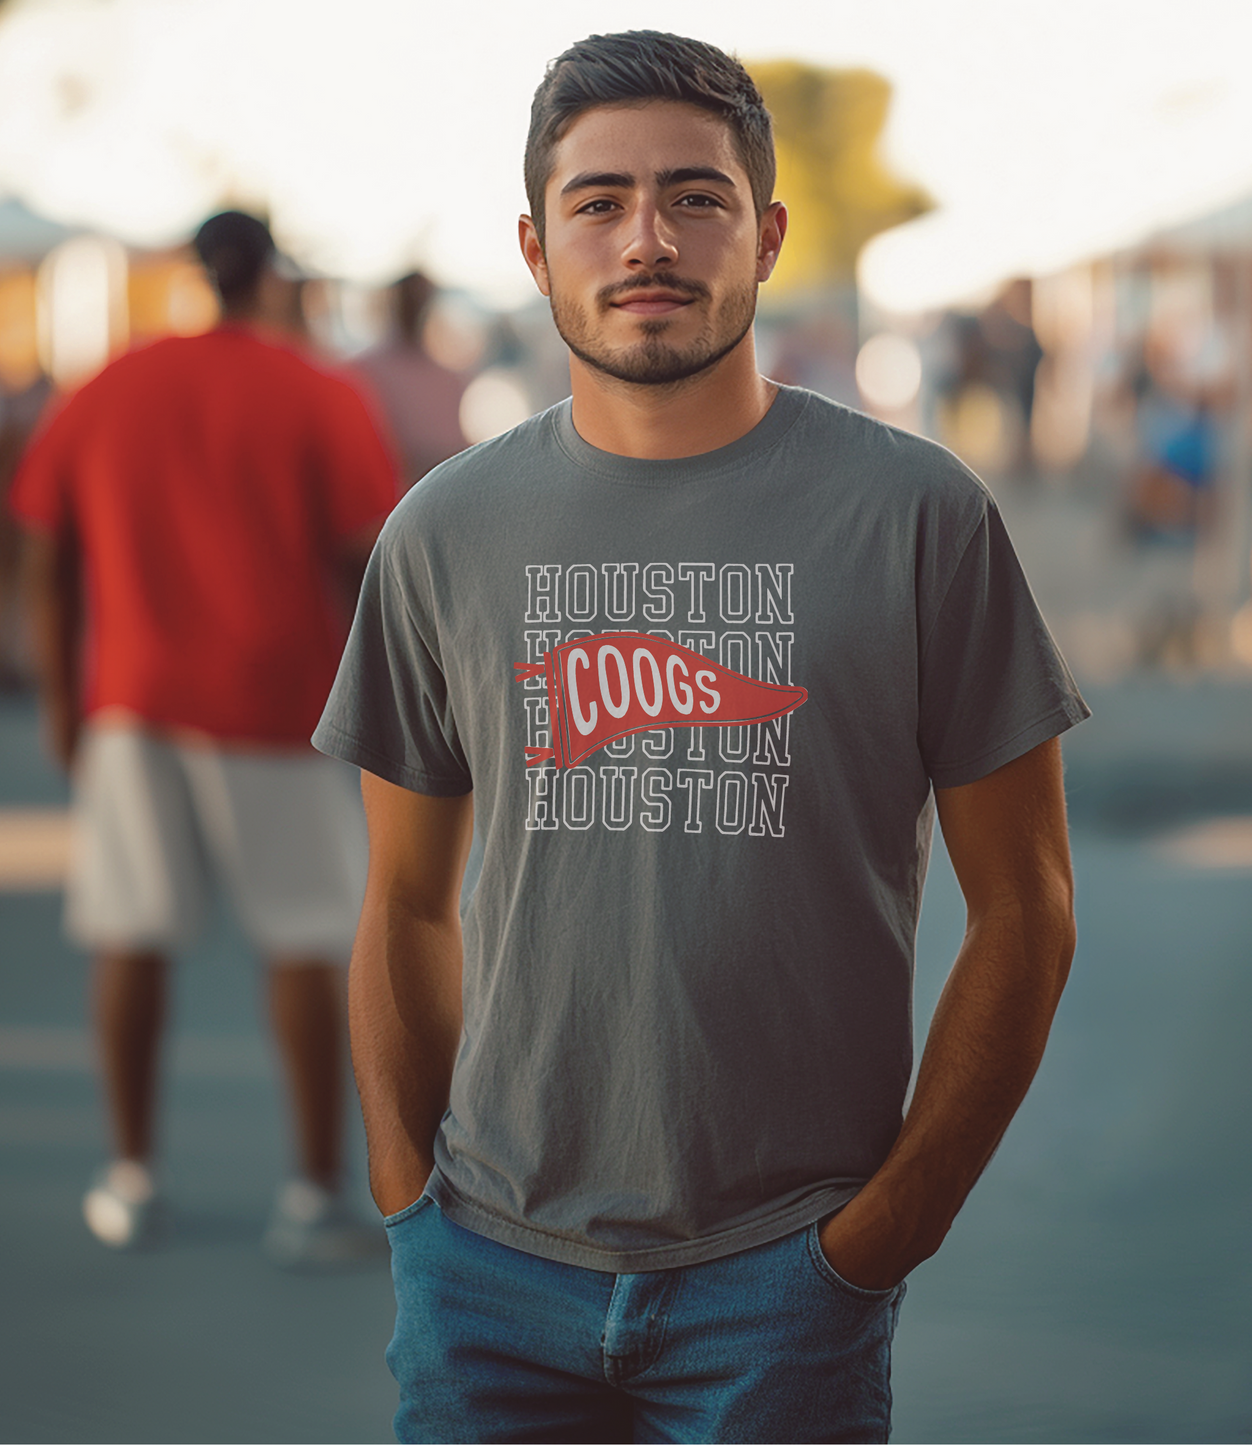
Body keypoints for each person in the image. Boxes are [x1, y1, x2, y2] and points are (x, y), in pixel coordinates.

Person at [316, 31, 1084, 1443]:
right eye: (597, 203)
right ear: (537, 248)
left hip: (784, 1280)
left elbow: (1027, 909)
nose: (647, 239)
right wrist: (405, 1200)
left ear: (768, 234)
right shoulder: (441, 533)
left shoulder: (921, 518)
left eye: (696, 197)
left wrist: (881, 1233)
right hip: (485, 1275)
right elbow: (407, 900)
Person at [11, 210, 398, 1264]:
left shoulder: (114, 384)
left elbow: (47, 544)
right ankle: (311, 1190)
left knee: (131, 931)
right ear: (270, 276)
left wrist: (62, 697)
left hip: (133, 697)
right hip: (277, 701)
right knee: (305, 938)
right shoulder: (316, 390)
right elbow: (369, 557)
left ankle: (131, 1173)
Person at [351, 271, 468, 493]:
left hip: (433, 494)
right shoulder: (362, 371)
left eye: (421, 298)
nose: (415, 306)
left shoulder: (449, 378)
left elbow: (454, 448)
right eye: (409, 297)